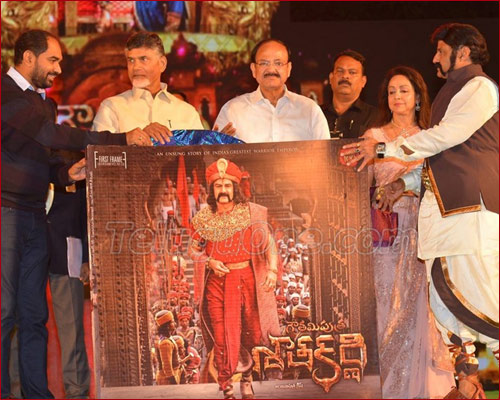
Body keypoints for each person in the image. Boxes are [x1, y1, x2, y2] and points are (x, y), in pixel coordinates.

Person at [1, 29, 169, 399]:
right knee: (4, 311)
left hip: (34, 216)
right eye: (53, 60)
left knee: (34, 315)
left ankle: (36, 394)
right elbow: (49, 135)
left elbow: (45, 159)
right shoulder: (5, 93)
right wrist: (121, 139)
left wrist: (66, 174)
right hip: (6, 213)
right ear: (28, 58)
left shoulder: (40, 102)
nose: (58, 68)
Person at [342, 23, 498, 398]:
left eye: (441, 51)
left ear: (462, 53)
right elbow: (441, 158)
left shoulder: (478, 87)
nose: (434, 58)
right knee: (450, 308)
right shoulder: (451, 92)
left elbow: (445, 138)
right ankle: (469, 384)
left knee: (482, 306)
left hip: (468, 216)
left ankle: (484, 379)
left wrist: (384, 150)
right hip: (445, 220)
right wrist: (404, 184)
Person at [362, 66, 454, 398]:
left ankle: (422, 388)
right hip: (386, 233)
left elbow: (442, 181)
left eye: (403, 90)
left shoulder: (431, 137)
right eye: (391, 91)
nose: (397, 97)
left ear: (417, 97)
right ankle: (387, 388)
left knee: (423, 305)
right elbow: (360, 185)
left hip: (424, 230)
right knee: (388, 304)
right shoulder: (373, 137)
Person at [189, 158, 280, 399]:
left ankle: (246, 381)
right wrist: (208, 261)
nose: (223, 190)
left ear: (234, 188)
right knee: (221, 336)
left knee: (249, 333)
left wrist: (272, 270)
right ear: (212, 190)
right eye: (218, 186)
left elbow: (269, 243)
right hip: (217, 284)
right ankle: (227, 386)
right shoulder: (204, 218)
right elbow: (193, 250)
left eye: (227, 185)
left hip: (247, 280)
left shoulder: (251, 213)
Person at [213, 39, 330, 142]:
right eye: (264, 63)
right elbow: (214, 156)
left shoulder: (309, 110)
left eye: (278, 63)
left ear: (288, 69)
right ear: (254, 69)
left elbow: (326, 155)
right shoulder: (232, 111)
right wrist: (217, 147)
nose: (271, 69)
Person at [92, 31, 203, 133]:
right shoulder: (111, 108)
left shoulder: (187, 112)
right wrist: (136, 139)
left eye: (143, 59)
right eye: (131, 60)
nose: (136, 67)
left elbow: (201, 148)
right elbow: (98, 149)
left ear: (162, 64)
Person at [46, 149, 91, 399]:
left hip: (68, 249)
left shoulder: (73, 157)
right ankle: (17, 388)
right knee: (20, 321)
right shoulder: (25, 153)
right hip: (27, 249)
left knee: (72, 327)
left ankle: (77, 391)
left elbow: (86, 211)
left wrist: (87, 257)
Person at [321, 49, 377, 139]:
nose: (345, 76)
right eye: (340, 71)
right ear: (331, 78)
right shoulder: (316, 114)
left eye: (352, 72)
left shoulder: (376, 117)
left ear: (363, 81)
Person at [154, 310, 181, 385]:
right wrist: (173, 382)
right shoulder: (165, 343)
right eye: (172, 322)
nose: (175, 324)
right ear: (167, 326)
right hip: (166, 380)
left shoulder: (168, 339)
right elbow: (167, 367)